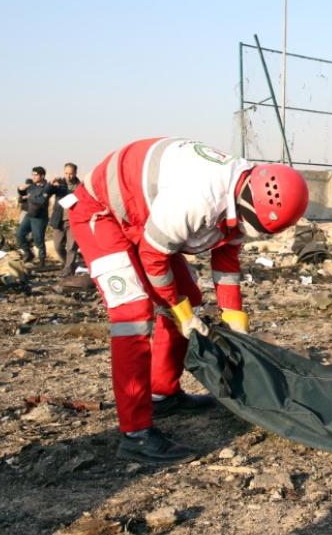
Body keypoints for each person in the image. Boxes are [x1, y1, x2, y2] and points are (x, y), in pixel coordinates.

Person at [65, 138, 308, 463]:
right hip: (103, 212)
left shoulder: (244, 189)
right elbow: (154, 257)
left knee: (190, 300)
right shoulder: (198, 198)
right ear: (248, 201)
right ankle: (135, 435)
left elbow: (227, 261)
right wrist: (179, 311)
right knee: (133, 313)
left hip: (145, 217)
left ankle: (163, 393)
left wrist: (235, 317)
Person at [16, 167, 57, 265]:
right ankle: (28, 253)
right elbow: (22, 196)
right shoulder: (31, 186)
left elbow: (41, 201)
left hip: (40, 217)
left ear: (42, 176)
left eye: (35, 175)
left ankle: (42, 261)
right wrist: (20, 189)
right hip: (29, 215)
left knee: (38, 239)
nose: (33, 177)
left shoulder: (47, 186)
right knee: (19, 234)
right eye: (32, 175)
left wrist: (30, 197)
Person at [49, 162, 83, 276]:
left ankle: (68, 269)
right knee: (58, 246)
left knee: (71, 247)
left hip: (73, 221)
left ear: (75, 173)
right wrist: (50, 185)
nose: (69, 176)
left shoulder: (81, 186)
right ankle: (68, 263)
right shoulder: (60, 184)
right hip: (59, 220)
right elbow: (47, 192)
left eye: (71, 173)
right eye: (66, 173)